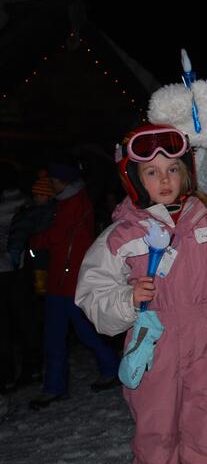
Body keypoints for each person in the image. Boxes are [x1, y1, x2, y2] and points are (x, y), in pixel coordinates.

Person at [75, 125, 207, 464]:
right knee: (157, 445)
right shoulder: (122, 237)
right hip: (154, 345)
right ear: (133, 178)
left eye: (173, 169)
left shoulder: (206, 222)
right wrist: (127, 299)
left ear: (187, 171)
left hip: (205, 341)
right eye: (152, 173)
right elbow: (91, 297)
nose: (165, 180)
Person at [28, 162, 120, 409]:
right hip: (61, 280)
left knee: (82, 331)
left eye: (55, 181)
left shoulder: (75, 203)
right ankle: (55, 387)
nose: (52, 185)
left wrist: (33, 240)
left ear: (66, 182)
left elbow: (56, 236)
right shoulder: (64, 203)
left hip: (72, 280)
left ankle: (110, 370)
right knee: (58, 335)